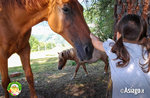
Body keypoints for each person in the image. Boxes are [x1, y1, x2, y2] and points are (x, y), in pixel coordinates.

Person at [90, 14, 150, 98]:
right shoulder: (147, 52)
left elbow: (96, 43)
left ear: (119, 35)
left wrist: (89, 34)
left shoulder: (113, 50)